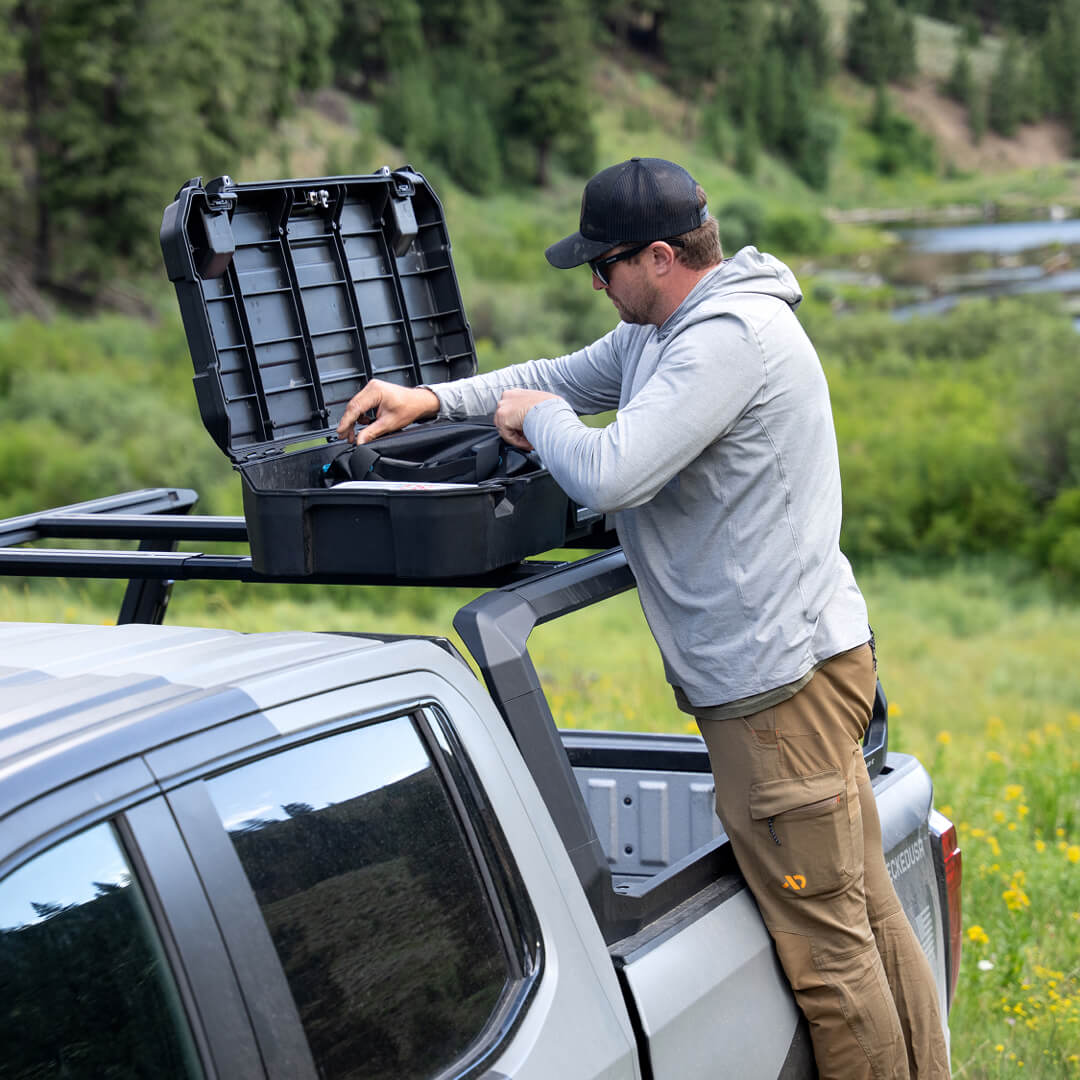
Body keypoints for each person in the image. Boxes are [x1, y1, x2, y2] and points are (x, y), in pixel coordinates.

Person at [336, 157, 950, 1080]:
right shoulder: (667, 330)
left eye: (603, 265)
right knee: (861, 915)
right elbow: (564, 374)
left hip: (772, 695)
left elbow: (609, 468)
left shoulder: (724, 341)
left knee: (829, 958)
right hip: (804, 668)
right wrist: (432, 399)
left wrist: (537, 419)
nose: (593, 281)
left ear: (660, 256)